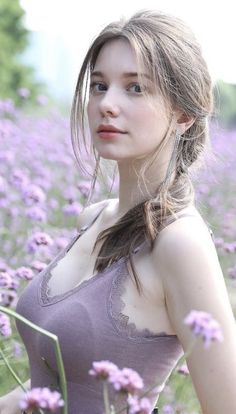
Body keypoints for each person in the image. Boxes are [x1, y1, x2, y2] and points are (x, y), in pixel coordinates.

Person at [1, 8, 236, 414]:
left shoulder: (179, 242)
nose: (107, 104)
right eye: (98, 85)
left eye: (136, 88)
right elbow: (50, 392)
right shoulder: (92, 218)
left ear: (183, 113)